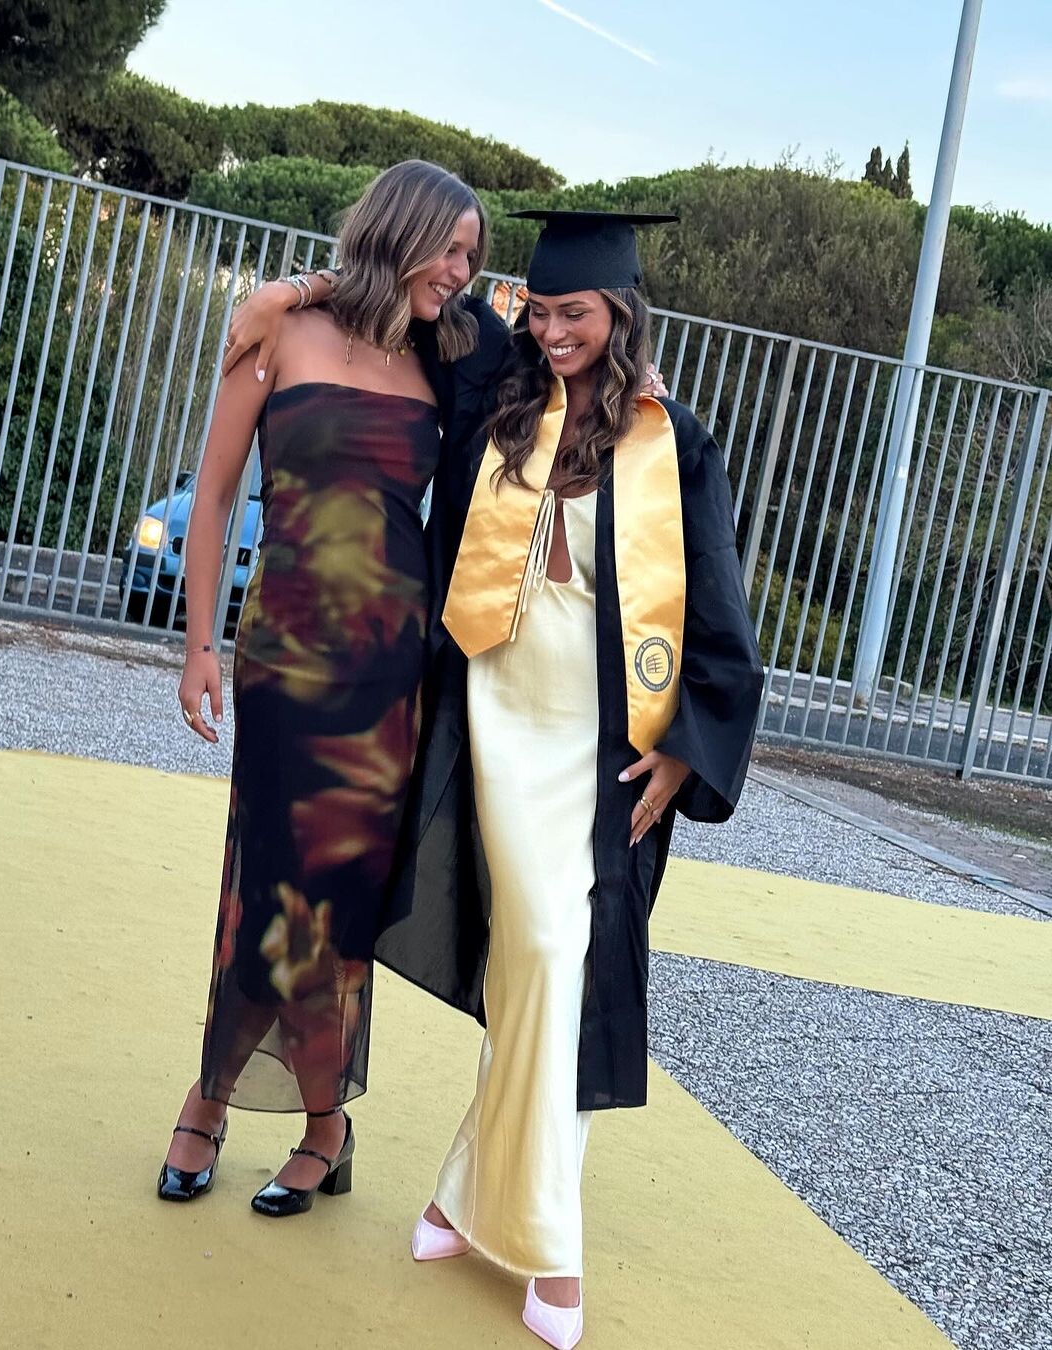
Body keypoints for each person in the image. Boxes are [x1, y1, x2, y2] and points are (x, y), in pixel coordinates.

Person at [374, 210, 765, 1348]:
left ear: (622, 314)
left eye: (576, 314)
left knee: (555, 960)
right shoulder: (498, 393)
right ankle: (504, 1217)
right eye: (540, 310)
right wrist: (291, 294)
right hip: (496, 715)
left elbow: (718, 604)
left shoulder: (672, 443)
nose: (552, 331)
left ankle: (515, 1222)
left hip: (601, 738)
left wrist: (689, 742)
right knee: (529, 961)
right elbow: (410, 303)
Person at [157, 160, 511, 1217]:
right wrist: (199, 645)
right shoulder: (279, 330)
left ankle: (316, 1124)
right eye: (450, 248)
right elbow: (214, 498)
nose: (462, 271)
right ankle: (222, 1098)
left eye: (473, 256)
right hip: (282, 657)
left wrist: (642, 383)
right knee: (267, 884)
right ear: (402, 230)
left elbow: (556, 365)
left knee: (336, 903)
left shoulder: (449, 356)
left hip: (387, 676)